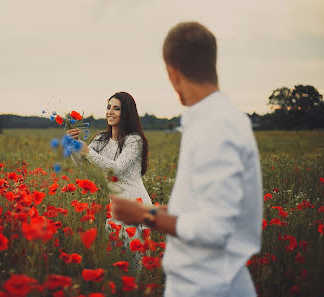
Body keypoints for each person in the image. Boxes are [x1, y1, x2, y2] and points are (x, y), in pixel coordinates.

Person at [110, 22, 263, 297]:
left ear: (173, 72)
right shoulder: (218, 118)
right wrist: (173, 211)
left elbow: (216, 229)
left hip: (208, 286)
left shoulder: (216, 126)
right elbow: (213, 210)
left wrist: (145, 215)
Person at [67, 92, 153, 240]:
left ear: (126, 113)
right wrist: (73, 147)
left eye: (116, 108)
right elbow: (82, 164)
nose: (110, 112)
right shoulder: (101, 139)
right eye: (108, 107)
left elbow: (117, 169)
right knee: (116, 256)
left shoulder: (134, 140)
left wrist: (86, 151)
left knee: (136, 259)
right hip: (116, 207)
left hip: (136, 205)